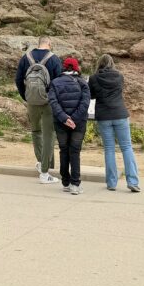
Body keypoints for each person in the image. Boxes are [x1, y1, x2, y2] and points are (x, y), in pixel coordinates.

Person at [89, 54, 140, 192]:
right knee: (127, 147)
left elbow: (91, 95)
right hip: (120, 114)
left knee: (109, 149)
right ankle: (133, 181)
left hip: (104, 116)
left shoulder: (94, 78)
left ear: (99, 63)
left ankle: (111, 183)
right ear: (112, 63)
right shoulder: (119, 76)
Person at [15, 36, 63, 183]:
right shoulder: (54, 59)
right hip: (48, 102)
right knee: (49, 135)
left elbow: (18, 79)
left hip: (32, 101)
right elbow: (59, 83)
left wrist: (26, 96)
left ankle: (42, 163)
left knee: (36, 132)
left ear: (39, 43)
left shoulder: (26, 58)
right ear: (49, 44)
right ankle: (44, 172)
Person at [48, 56, 91, 195]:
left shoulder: (55, 82)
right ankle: (75, 184)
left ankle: (65, 182)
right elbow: (85, 103)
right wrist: (74, 119)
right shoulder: (83, 83)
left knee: (63, 150)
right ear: (76, 67)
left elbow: (53, 102)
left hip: (60, 122)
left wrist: (64, 118)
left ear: (64, 67)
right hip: (78, 123)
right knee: (75, 151)